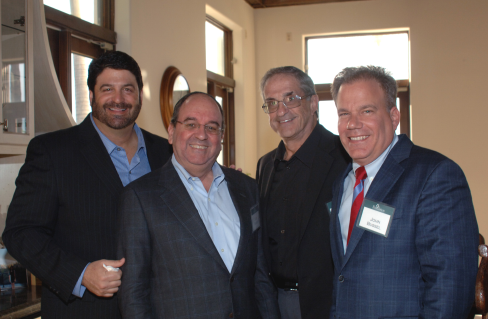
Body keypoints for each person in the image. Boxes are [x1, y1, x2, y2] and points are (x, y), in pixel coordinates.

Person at [2, 51, 172, 318]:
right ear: (91, 95)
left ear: (140, 95)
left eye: (128, 89)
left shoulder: (165, 152)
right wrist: (81, 274)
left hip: (159, 309)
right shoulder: (52, 152)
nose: (118, 99)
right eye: (107, 89)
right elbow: (20, 233)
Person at [329, 65, 479, 318]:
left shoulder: (435, 175)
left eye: (367, 110)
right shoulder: (344, 181)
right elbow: (344, 276)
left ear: (394, 116)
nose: (352, 124)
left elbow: (450, 287)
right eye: (344, 113)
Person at [117, 92, 280, 319]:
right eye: (191, 124)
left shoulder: (247, 189)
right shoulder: (141, 197)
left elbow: (260, 276)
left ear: (221, 137)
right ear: (172, 132)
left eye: (212, 127)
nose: (201, 135)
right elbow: (134, 293)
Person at [256, 66, 349, 319]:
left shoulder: (345, 157)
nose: (281, 111)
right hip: (274, 304)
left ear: (313, 102)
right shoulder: (265, 166)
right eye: (271, 103)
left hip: (329, 304)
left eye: (291, 99)